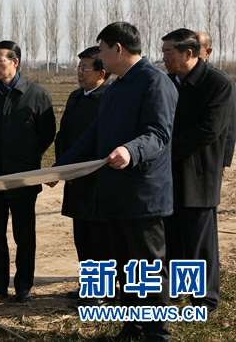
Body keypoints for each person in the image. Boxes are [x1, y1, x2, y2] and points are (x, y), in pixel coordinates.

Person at [57, 22, 178, 341]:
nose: (100, 58)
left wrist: (130, 150)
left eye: (102, 51)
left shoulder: (155, 83)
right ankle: (132, 326)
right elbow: (94, 134)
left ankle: (157, 333)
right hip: (114, 194)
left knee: (148, 268)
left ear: (118, 49)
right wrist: (63, 166)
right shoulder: (115, 88)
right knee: (125, 266)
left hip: (143, 196)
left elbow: (158, 134)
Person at [0, 40, 55, 306]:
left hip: (24, 177)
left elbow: (47, 134)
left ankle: (23, 287)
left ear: (15, 62)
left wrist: (25, 156)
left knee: (24, 235)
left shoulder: (37, 95)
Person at [162, 28, 233, 312]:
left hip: (199, 172)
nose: (164, 58)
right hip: (170, 172)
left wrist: (166, 150)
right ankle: (181, 291)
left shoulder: (217, 83)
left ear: (188, 53)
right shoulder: (169, 82)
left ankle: (205, 300)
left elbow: (209, 130)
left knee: (200, 240)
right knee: (175, 236)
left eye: (168, 52)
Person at [55, 46, 110, 287]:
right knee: (82, 236)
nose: (79, 72)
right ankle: (88, 285)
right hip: (75, 178)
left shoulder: (109, 99)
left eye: (85, 68)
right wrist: (59, 168)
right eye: (79, 67)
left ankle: (103, 288)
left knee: (101, 238)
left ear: (101, 73)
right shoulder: (75, 97)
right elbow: (64, 136)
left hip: (99, 180)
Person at [197, 31, 236, 168]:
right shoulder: (179, 78)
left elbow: (230, 124)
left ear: (208, 52)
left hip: (212, 159)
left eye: (196, 47)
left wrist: (223, 160)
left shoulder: (220, 82)